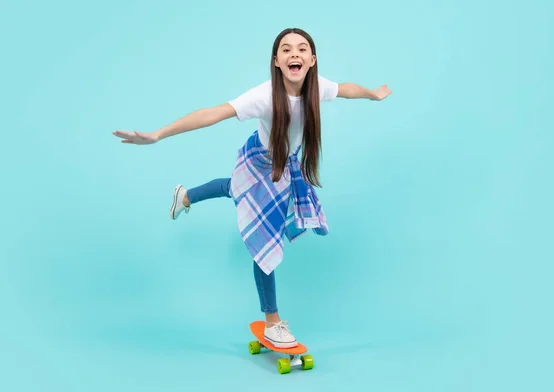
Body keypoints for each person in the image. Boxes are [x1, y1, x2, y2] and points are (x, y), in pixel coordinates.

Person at [113, 27, 392, 348]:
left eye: (302, 49)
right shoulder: (263, 96)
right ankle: (272, 321)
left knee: (234, 189)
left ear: (312, 60)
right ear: (276, 61)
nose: (294, 54)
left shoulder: (318, 89)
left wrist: (372, 94)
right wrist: (158, 134)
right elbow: (213, 113)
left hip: (282, 165)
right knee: (266, 236)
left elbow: (347, 89)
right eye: (286, 50)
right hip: (258, 161)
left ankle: (185, 196)